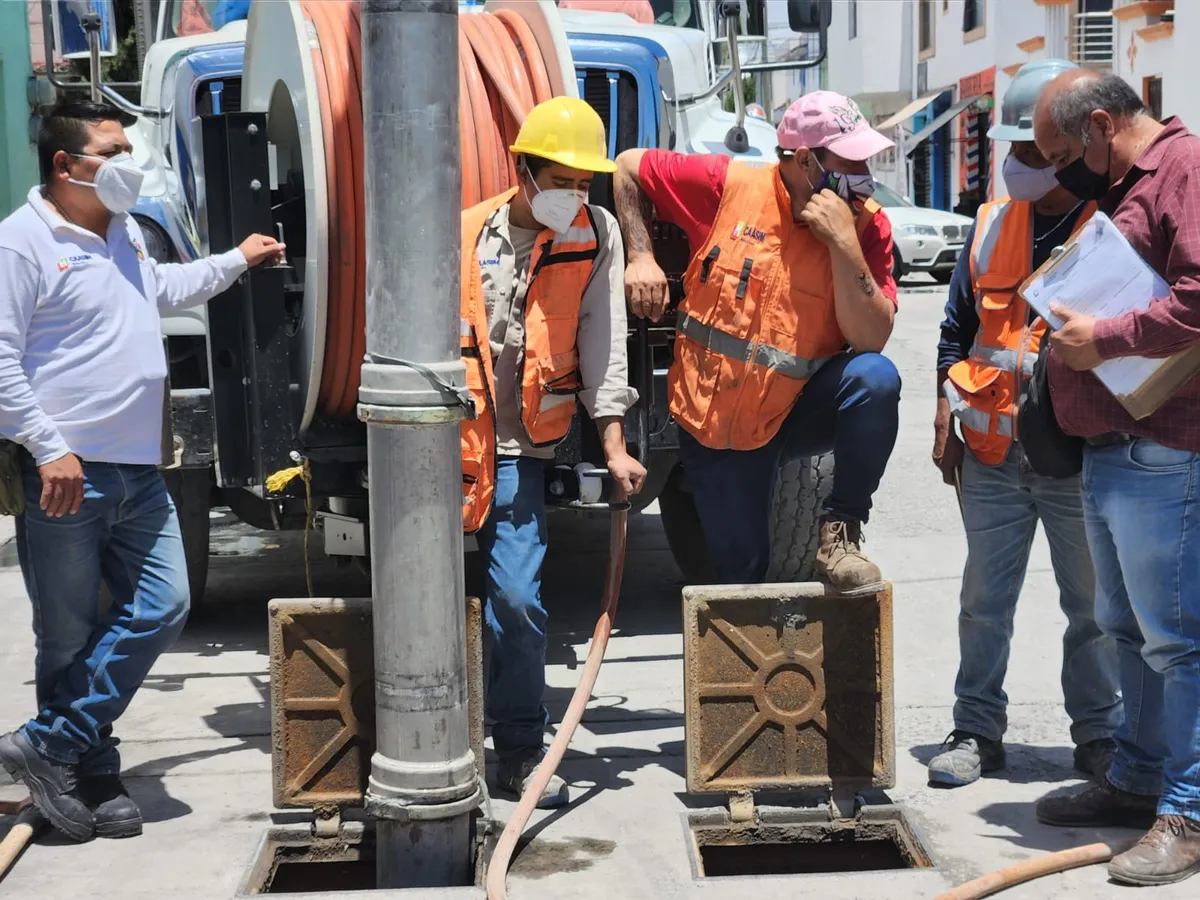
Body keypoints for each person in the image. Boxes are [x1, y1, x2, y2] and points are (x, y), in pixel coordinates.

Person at [0, 99, 283, 841]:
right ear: (66, 166)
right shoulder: (21, 243)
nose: (127, 165)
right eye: (112, 152)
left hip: (139, 470)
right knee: (65, 635)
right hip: (66, 476)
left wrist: (236, 261)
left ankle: (49, 745)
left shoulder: (121, 230)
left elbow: (156, 291)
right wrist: (47, 448)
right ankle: (92, 774)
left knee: (161, 606)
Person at [613, 90, 902, 593]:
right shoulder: (729, 186)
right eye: (852, 159)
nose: (865, 173)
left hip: (797, 410)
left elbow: (871, 340)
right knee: (743, 582)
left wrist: (844, 244)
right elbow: (628, 166)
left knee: (875, 380)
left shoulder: (868, 225)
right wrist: (640, 254)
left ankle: (841, 533)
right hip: (716, 423)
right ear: (807, 161)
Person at [927, 59, 1120, 788]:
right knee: (984, 601)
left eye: (1034, 151)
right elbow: (955, 335)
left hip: (1076, 458)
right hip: (992, 456)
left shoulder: (1109, 229)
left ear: (1068, 147)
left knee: (1094, 608)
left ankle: (1100, 736)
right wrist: (943, 416)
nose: (1020, 164)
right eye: (1015, 148)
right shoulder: (988, 228)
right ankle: (976, 729)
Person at [1031, 70, 1200, 886]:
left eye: (1068, 151)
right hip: (1115, 448)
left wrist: (1105, 336)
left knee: (1178, 641)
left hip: (1163, 446)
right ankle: (1137, 777)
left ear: (1101, 124)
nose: (1064, 168)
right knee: (1127, 629)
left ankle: (1191, 811)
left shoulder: (1184, 169)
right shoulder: (1133, 182)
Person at [459, 97, 646, 808]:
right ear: (524, 171)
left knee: (515, 598)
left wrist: (614, 444)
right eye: (564, 180)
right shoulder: (467, 237)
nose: (578, 195)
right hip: (447, 448)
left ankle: (516, 745)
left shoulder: (596, 234)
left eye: (586, 182)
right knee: (423, 605)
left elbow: (604, 339)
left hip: (519, 448)